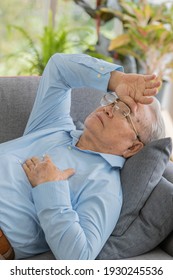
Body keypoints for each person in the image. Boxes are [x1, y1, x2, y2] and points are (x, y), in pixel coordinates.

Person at [0, 53, 164, 260]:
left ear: (133, 147)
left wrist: (50, 187)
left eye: (124, 111)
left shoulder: (105, 187)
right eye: (114, 100)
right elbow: (58, 68)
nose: (109, 109)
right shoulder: (54, 125)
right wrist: (118, 81)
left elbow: (80, 258)